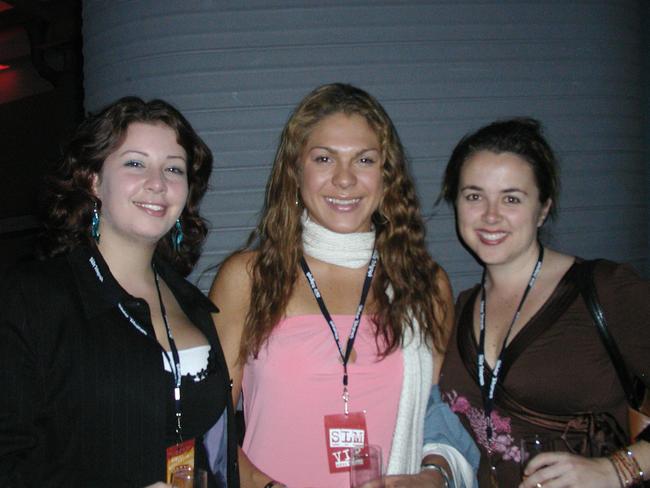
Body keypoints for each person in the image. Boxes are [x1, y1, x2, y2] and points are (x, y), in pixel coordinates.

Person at [210, 83, 478, 488]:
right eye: (324, 158)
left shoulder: (423, 284)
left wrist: (433, 476)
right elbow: (208, 425)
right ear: (295, 170)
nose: (345, 179)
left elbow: (437, 415)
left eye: (364, 160)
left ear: (386, 175)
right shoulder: (249, 278)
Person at [0, 97, 239, 487]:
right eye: (135, 163)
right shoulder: (34, 297)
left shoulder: (192, 304)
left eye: (173, 168)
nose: (158, 183)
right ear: (93, 179)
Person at [438, 117, 650, 487]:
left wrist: (616, 469)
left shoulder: (605, 291)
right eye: (474, 196)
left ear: (543, 208)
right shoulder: (460, 309)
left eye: (511, 198)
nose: (490, 215)